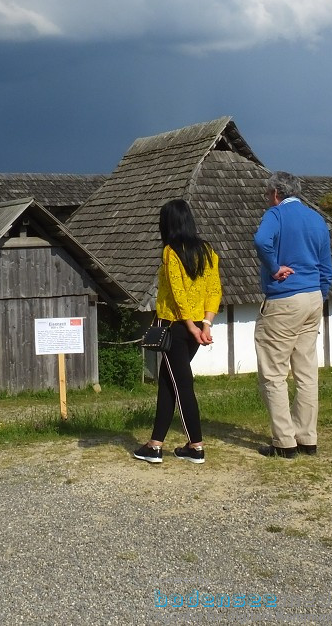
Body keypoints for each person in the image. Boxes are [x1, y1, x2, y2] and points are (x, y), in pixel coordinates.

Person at [133, 199, 222, 465]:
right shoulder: (208, 251)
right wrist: (205, 324)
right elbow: (214, 290)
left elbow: (177, 293)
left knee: (182, 385)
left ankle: (196, 446)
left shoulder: (171, 251)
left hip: (173, 326)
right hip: (194, 327)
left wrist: (191, 327)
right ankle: (155, 445)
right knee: (167, 383)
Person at [253, 171, 332, 459]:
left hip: (285, 298)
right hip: (313, 297)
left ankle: (284, 442)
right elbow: (327, 266)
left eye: (268, 194)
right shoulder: (316, 219)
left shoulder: (275, 215)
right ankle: (307, 438)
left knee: (274, 373)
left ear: (276, 193)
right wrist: (320, 294)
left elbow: (261, 241)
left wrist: (274, 267)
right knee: (306, 372)